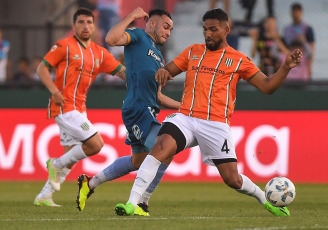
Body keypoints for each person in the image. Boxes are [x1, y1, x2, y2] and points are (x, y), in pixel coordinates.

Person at [114, 8, 302, 217]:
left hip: (216, 124)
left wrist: (285, 67)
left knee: (233, 179)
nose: (208, 34)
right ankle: (132, 203)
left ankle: (265, 200)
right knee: (159, 147)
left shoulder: (239, 59)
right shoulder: (193, 51)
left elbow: (267, 86)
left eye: (213, 29)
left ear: (226, 30)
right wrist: (162, 71)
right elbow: (168, 70)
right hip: (186, 117)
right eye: (205, 29)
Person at [76, 8, 180, 216]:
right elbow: (111, 38)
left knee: (138, 161)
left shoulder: (159, 57)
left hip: (148, 111)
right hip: (138, 109)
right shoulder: (139, 35)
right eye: (165, 26)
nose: (168, 33)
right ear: (152, 23)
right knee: (165, 151)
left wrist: (185, 106)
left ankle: (90, 182)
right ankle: (142, 202)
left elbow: (158, 97)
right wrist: (132, 16)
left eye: (171, 29)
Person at [33, 7, 125, 207]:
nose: (86, 26)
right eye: (81, 22)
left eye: (89, 22)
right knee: (96, 144)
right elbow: (42, 68)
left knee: (70, 157)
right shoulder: (63, 46)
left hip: (80, 109)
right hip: (64, 106)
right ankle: (54, 164)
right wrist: (54, 91)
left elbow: (122, 72)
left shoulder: (99, 53)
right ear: (73, 26)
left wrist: (144, 77)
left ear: (94, 26)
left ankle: (44, 196)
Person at [283, 2, 314, 78]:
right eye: (294, 11)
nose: (296, 13)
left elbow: (311, 49)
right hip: (289, 58)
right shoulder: (287, 29)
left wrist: (309, 67)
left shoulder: (307, 28)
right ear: (291, 13)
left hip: (302, 60)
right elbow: (284, 47)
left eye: (298, 11)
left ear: (301, 13)